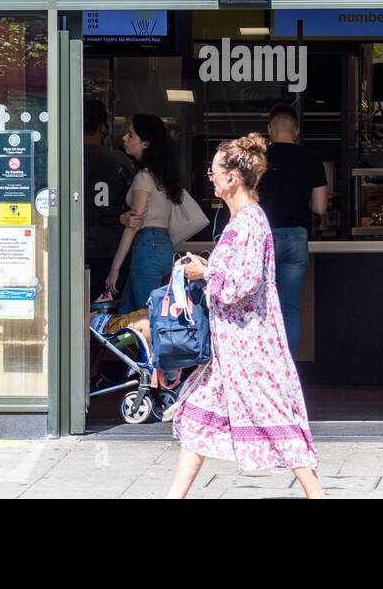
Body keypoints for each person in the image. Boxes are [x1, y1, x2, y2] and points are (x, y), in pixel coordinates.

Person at [166, 133, 322, 499]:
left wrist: (205, 272)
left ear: (233, 178)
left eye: (215, 170)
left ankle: (317, 495)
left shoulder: (249, 222)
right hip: (232, 349)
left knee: (276, 421)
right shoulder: (243, 221)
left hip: (250, 349)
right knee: (197, 419)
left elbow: (242, 285)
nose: (210, 176)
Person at [258, 104, 328, 358]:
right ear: (296, 131)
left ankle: (266, 368)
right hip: (297, 237)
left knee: (262, 305)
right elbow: (320, 207)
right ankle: (289, 369)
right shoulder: (311, 159)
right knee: (289, 307)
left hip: (265, 237)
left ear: (269, 130)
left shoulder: (259, 159)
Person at [104, 114, 182, 312]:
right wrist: (124, 217)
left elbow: (134, 224)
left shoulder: (144, 177)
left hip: (147, 245)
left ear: (145, 143)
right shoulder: (162, 176)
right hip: (163, 245)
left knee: (146, 317)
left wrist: (114, 269)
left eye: (131, 135)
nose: (124, 138)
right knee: (132, 311)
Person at [82, 99, 134, 301]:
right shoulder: (118, 160)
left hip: (75, 244)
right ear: (103, 127)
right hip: (109, 245)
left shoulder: (65, 158)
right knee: (105, 307)